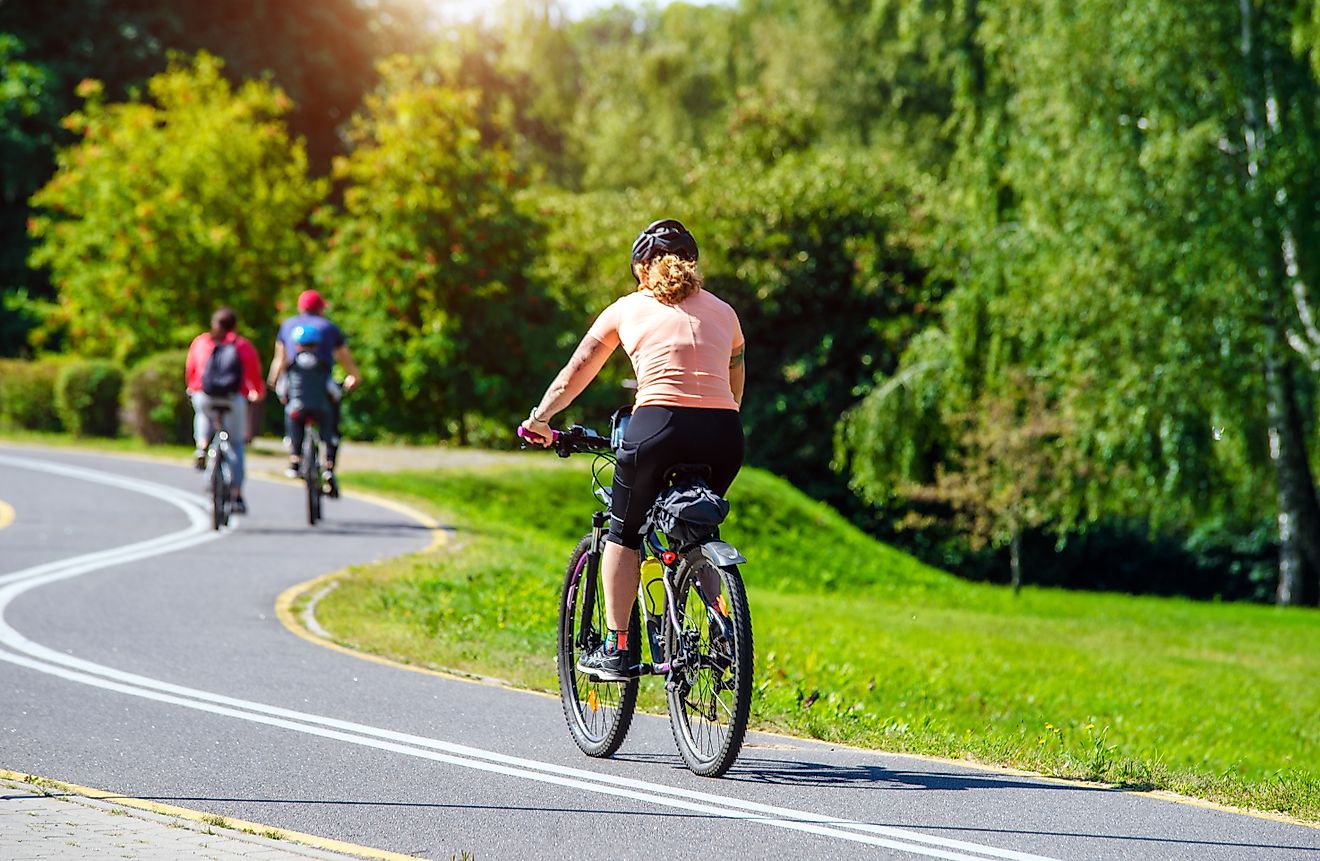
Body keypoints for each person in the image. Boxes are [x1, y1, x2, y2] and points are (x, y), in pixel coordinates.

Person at [520, 219, 746, 681]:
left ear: (642, 270)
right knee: (696, 535)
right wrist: (712, 418)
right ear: (691, 265)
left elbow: (576, 371)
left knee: (623, 534)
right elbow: (735, 381)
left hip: (657, 426)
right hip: (725, 435)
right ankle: (723, 623)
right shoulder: (725, 312)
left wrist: (540, 420)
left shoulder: (626, 309)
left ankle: (616, 647)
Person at [268, 289, 361, 490]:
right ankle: (329, 464)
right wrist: (353, 377)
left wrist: (274, 382)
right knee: (331, 416)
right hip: (321, 390)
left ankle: (294, 457)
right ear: (320, 309)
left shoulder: (287, 326)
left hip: (294, 389)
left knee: (291, 411)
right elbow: (344, 358)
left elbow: (280, 360)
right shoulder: (329, 328)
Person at [185, 307, 266, 514]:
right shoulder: (241, 345)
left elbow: (191, 370)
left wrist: (192, 387)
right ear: (235, 325)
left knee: (202, 412)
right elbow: (253, 374)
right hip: (232, 398)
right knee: (235, 443)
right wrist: (257, 392)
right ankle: (237, 495)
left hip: (205, 395)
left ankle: (202, 444)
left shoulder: (202, 342)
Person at [282, 324, 333, 486]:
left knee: (292, 418)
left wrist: (284, 397)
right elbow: (331, 389)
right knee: (327, 425)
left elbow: (282, 388)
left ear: (297, 345)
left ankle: (294, 459)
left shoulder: (291, 365)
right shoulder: (323, 365)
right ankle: (328, 460)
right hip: (319, 409)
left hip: (297, 408)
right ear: (317, 345)